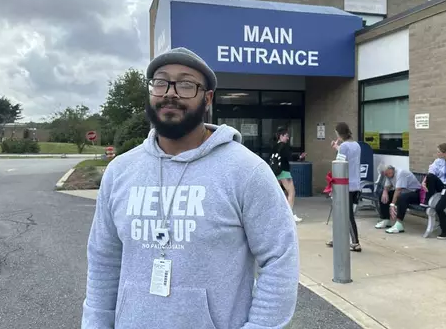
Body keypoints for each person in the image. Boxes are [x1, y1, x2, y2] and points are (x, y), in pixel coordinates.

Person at [81, 47, 300, 329]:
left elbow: (280, 259)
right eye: (161, 82)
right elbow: (103, 259)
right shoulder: (120, 171)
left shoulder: (247, 171)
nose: (170, 93)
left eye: (186, 84)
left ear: (207, 98)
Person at [325, 122, 362, 252]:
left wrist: (338, 148)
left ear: (339, 134)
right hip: (355, 183)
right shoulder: (356, 145)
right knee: (344, 213)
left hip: (344, 184)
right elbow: (350, 159)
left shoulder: (344, 146)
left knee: (345, 214)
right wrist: (338, 148)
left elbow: (339, 163)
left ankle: (355, 242)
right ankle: (340, 238)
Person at [271, 126, 306, 223]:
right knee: (291, 192)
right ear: (281, 136)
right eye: (286, 136)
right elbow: (289, 157)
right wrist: (299, 156)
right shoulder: (284, 146)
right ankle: (289, 215)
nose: (287, 138)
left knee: (280, 194)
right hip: (284, 172)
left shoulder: (274, 146)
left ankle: (276, 214)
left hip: (276, 172)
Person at [375, 165, 423, 234]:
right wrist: (385, 192)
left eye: (387, 173)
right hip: (404, 193)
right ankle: (386, 219)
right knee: (382, 195)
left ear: (391, 169)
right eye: (385, 174)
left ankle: (399, 225)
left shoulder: (401, 173)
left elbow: (398, 190)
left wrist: (392, 205)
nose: (387, 176)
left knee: (401, 198)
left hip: (415, 193)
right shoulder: (389, 175)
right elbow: (387, 186)